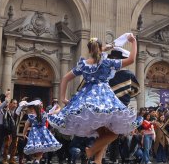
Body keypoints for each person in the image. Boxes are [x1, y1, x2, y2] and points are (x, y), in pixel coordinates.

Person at [48, 35, 137, 164]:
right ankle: (90, 152)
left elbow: (65, 79)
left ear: (89, 50)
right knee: (112, 134)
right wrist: (133, 42)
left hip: (87, 98)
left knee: (104, 133)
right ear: (100, 49)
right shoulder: (107, 62)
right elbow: (131, 59)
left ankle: (97, 161)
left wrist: (63, 98)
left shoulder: (83, 64)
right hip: (104, 98)